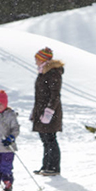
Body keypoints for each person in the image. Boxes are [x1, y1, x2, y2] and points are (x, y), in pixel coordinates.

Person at [30, 47, 63, 176]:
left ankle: (54, 167)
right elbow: (39, 95)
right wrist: (35, 111)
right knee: (45, 139)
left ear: (43, 60)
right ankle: (46, 165)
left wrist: (49, 112)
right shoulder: (43, 72)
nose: (35, 62)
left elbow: (55, 95)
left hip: (50, 112)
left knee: (50, 139)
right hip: (41, 110)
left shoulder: (53, 73)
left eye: (37, 59)